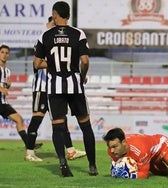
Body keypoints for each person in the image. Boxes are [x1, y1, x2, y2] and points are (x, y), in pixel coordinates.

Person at [33, 1, 98, 177]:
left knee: (58, 127)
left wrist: (53, 64)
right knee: (85, 125)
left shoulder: (45, 35)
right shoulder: (78, 33)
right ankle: (92, 166)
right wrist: (82, 76)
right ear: (68, 15)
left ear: (55, 15)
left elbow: (37, 64)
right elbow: (85, 61)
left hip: (55, 87)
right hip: (75, 85)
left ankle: (63, 164)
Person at [25, 16, 86, 162]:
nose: (58, 26)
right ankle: (29, 152)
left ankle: (70, 150)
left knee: (61, 119)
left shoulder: (60, 41)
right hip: (42, 85)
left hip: (56, 86)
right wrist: (55, 63)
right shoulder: (44, 38)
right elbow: (37, 63)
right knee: (38, 116)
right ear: (49, 24)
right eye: (54, 23)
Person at [103, 127, 168, 179]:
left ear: (124, 142)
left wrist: (129, 176)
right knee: (164, 173)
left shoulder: (139, 149)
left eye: (115, 147)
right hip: (150, 155)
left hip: (161, 145)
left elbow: (144, 174)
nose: (111, 151)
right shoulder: (111, 151)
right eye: (110, 147)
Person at [0, 44, 29, 149]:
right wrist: (1, 89)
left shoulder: (7, 71)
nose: (4, 55)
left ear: (9, 55)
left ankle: (29, 145)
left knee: (19, 120)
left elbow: (6, 88)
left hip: (3, 103)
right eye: (2, 52)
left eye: (6, 53)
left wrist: (7, 86)